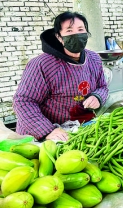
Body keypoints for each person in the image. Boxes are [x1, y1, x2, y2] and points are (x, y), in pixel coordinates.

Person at [13, 12, 109, 142]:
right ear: (59, 37)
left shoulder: (94, 59)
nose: (76, 34)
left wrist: (97, 96)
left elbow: (102, 86)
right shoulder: (43, 64)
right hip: (42, 136)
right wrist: (48, 130)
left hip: (77, 129)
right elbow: (23, 101)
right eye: (69, 30)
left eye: (80, 29)